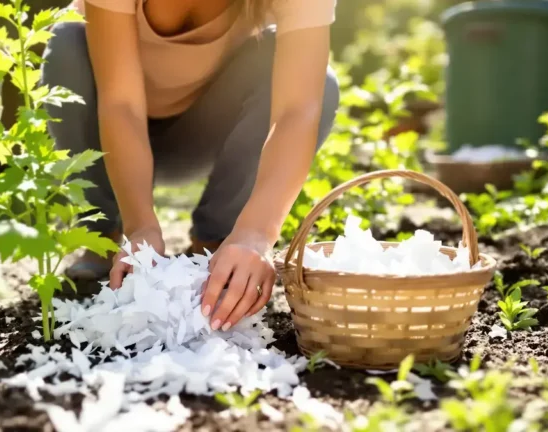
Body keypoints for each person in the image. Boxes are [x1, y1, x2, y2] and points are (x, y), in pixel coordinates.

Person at [42, 0, 339, 330]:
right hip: (108, 128)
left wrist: (256, 234)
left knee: (319, 84)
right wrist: (140, 226)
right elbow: (121, 104)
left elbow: (296, 112)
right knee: (68, 42)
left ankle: (219, 244)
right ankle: (103, 236)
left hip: (202, 133)